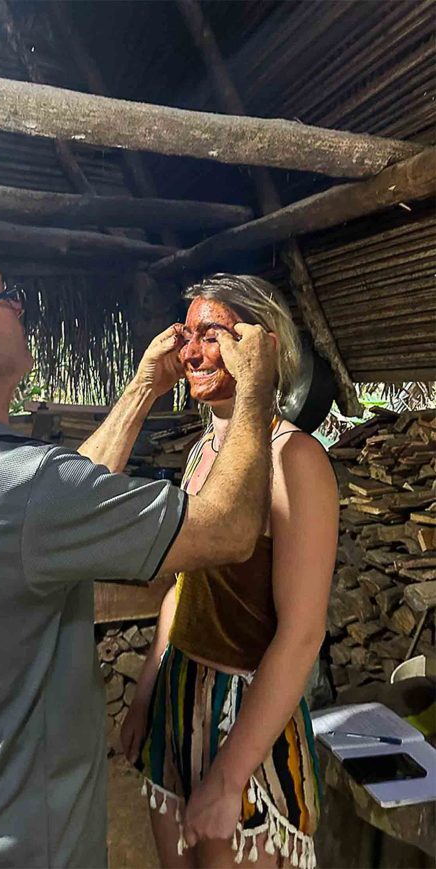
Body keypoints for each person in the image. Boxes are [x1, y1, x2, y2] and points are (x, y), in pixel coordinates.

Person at [0, 219, 281, 868]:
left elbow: (53, 506)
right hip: (23, 849)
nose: (19, 305)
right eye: (3, 295)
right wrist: (257, 389)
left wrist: (141, 388)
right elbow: (226, 529)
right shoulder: (26, 489)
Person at [119, 275, 336, 869]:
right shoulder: (204, 451)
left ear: (260, 346)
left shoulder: (295, 459)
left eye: (210, 335)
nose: (189, 352)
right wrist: (146, 696)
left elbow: (301, 634)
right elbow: (185, 589)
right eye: (186, 335)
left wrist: (229, 776)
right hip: (180, 693)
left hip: (246, 712)